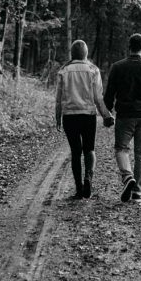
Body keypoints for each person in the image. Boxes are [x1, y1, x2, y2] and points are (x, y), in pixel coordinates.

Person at [103, 33, 141, 203]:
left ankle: (127, 177)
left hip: (124, 116)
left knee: (121, 149)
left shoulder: (117, 67)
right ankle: (137, 192)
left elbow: (109, 94)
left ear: (128, 46)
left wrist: (106, 114)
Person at [55, 39, 113, 199]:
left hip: (69, 117)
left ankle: (79, 189)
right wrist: (106, 116)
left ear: (72, 54)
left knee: (75, 152)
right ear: (86, 54)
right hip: (88, 116)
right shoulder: (93, 69)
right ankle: (89, 177)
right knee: (89, 149)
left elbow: (58, 98)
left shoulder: (63, 70)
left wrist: (57, 117)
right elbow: (98, 98)